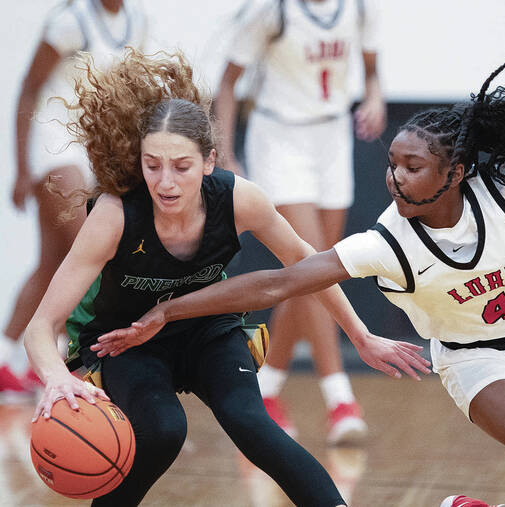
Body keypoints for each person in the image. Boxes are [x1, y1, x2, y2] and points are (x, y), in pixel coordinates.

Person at [91, 50, 505, 506]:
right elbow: (276, 284)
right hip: (478, 363)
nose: (396, 177)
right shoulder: (387, 242)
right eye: (393, 165)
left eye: (412, 167)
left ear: (456, 170)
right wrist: (167, 312)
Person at [23, 50, 428, 507]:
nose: (165, 182)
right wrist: (56, 379)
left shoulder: (240, 200)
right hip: (127, 341)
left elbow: (309, 267)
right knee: (163, 430)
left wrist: (362, 336)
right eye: (152, 164)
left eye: (181, 166)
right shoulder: (115, 215)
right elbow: (40, 327)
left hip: (205, 330)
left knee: (251, 422)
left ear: (209, 161)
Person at [214, 0, 386, 443]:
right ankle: (340, 399)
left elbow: (370, 69)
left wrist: (374, 96)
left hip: (331, 138)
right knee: (315, 267)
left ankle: (265, 391)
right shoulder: (272, 12)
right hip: (280, 138)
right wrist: (229, 155)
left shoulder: (359, 8)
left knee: (309, 276)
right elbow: (228, 84)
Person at [3, 0, 148, 400]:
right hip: (54, 146)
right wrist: (20, 168)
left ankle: (4, 359)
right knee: (91, 255)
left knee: (53, 263)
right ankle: (67, 360)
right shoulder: (69, 20)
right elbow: (29, 89)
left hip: (96, 149)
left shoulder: (137, 20)